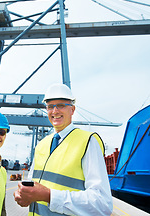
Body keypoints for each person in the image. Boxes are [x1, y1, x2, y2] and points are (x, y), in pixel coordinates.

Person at [14, 83, 113, 215]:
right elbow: (33, 185)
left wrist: (49, 196)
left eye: (61, 105)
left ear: (72, 110)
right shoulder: (41, 145)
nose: (55, 111)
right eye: (50, 107)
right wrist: (24, 194)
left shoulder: (88, 142)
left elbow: (102, 204)